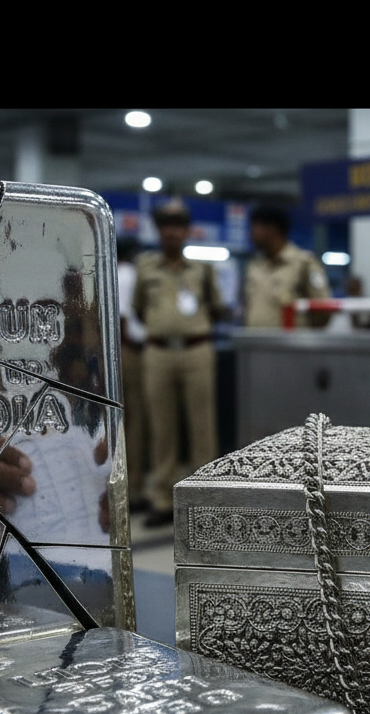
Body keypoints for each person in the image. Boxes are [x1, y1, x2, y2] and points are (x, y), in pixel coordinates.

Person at [133, 200, 229, 527]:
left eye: (178, 226)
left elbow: (217, 308)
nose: (172, 232)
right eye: (166, 226)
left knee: (202, 426)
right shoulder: (146, 268)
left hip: (196, 351)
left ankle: (205, 498)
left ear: (187, 231)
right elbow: (139, 310)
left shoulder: (202, 270)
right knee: (162, 428)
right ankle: (162, 499)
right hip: (158, 352)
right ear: (159, 231)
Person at [242, 205, 331, 328]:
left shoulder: (303, 264)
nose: (251, 234)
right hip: (257, 345)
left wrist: (304, 338)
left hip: (290, 345)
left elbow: (323, 310)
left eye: (255, 227)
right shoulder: (255, 267)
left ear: (272, 229)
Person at [116, 237, 150, 514]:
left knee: (120, 422)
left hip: (114, 353)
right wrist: (136, 344)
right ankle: (134, 489)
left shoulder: (108, 272)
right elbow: (124, 319)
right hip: (130, 352)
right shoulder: (128, 275)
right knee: (135, 422)